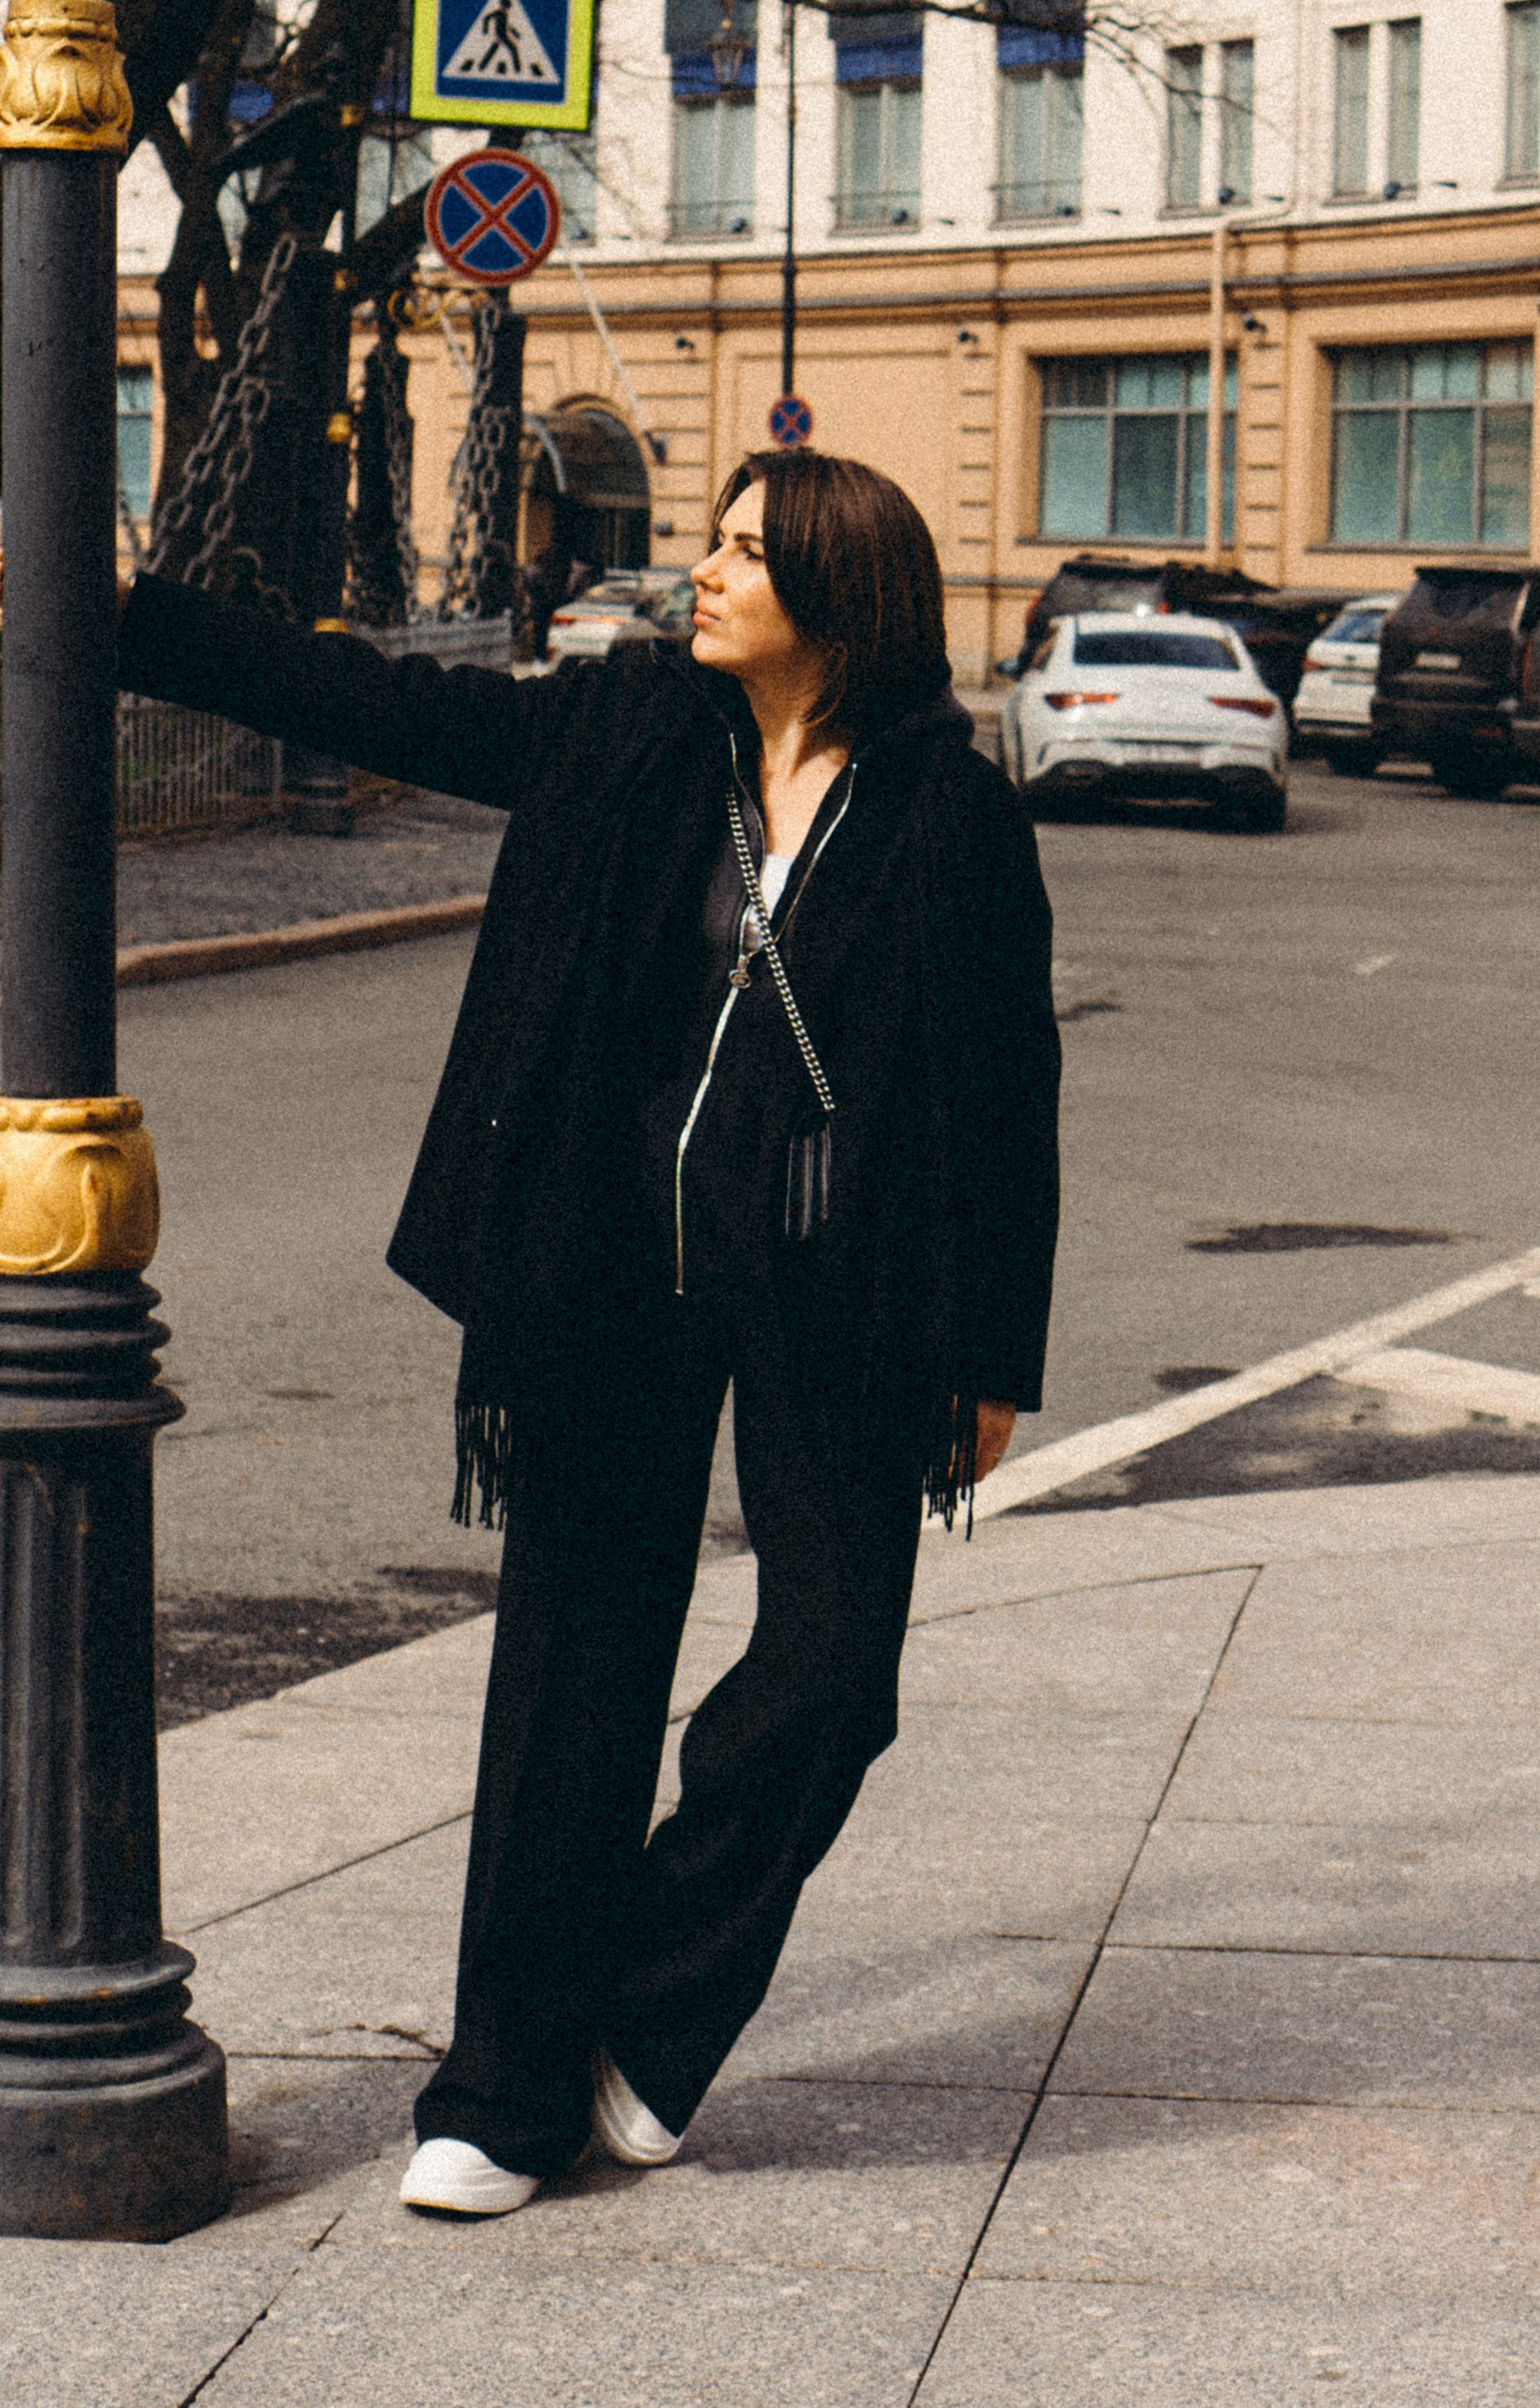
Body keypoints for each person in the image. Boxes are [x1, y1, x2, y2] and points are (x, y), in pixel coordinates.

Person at [108, 447, 1060, 2214]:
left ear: (837, 602)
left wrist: (992, 1351)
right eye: (708, 542)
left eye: (742, 554)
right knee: (571, 1674)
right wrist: (125, 619)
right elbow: (380, 703)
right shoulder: (632, 736)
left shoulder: (943, 805)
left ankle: (650, 2009)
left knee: (836, 1674)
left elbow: (1009, 1090)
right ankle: (504, 2090)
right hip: (608, 1259)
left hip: (836, 1290)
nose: (700, 572)